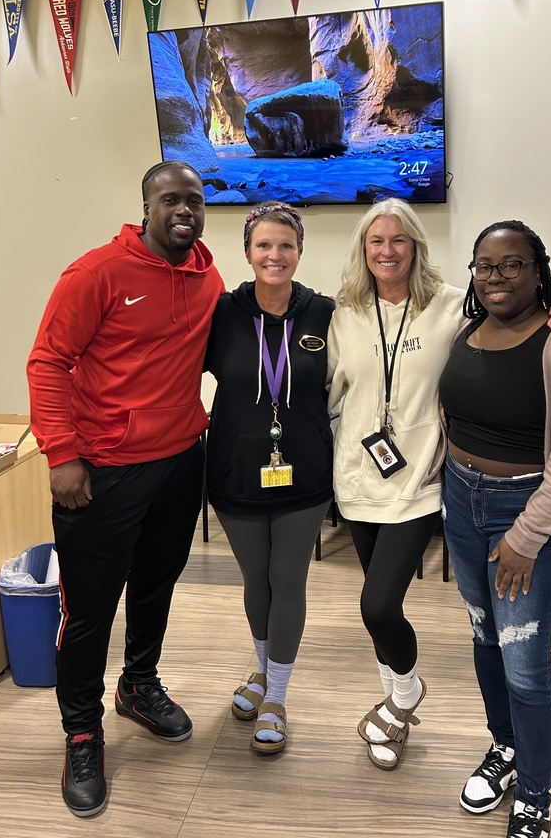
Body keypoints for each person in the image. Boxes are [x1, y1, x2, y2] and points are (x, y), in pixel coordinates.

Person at [326, 199, 551, 771]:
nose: (387, 251)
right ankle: (395, 704)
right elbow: (322, 392)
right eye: (376, 241)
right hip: (357, 480)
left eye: (399, 240)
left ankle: (407, 692)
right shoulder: (342, 313)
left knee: (377, 604)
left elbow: (510, 323)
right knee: (382, 612)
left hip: (422, 483)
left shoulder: (450, 309)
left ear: (416, 245)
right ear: (362, 251)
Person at [27, 161, 225, 818]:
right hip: (101, 473)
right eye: (170, 199)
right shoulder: (97, 274)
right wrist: (62, 454)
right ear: (146, 207)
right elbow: (48, 362)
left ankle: (138, 685)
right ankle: (81, 731)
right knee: (87, 611)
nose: (184, 210)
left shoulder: (206, 272)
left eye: (194, 200)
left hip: (177, 466)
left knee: (155, 586)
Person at [438, 220, 551, 838]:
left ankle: (536, 793)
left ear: (539, 271)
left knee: (525, 664)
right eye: (484, 265)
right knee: (487, 641)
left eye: (512, 264)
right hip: (461, 505)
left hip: (525, 516)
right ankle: (505, 748)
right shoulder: (465, 331)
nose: (496, 276)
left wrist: (526, 536)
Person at [205, 204, 334, 756]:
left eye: (285, 246)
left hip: (303, 471)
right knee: (255, 580)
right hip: (235, 472)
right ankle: (262, 672)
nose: (274, 256)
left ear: (299, 252)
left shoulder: (326, 313)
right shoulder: (221, 314)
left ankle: (275, 696)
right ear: (248, 252)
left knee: (288, 579)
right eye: (264, 246)